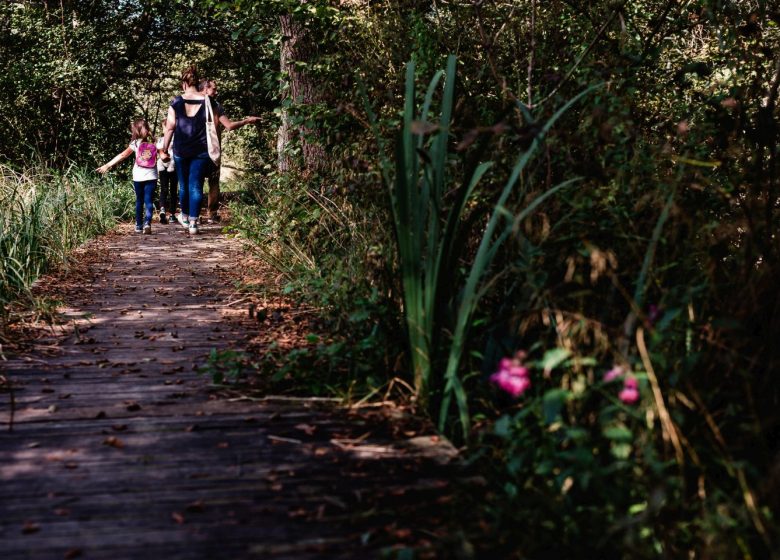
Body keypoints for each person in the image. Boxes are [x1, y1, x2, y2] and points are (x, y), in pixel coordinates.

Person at [198, 78, 261, 223]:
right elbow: (230, 126)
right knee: (213, 182)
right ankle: (212, 214)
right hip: (212, 150)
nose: (216, 91)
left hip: (198, 151)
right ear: (205, 89)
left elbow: (229, 126)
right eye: (213, 89)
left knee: (198, 182)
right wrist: (246, 121)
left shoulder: (192, 104)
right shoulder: (216, 106)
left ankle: (195, 214)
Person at [96, 118, 158, 235]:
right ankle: (147, 223)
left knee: (139, 200)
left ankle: (139, 225)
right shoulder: (154, 142)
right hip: (152, 175)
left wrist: (107, 165)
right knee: (149, 200)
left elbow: (123, 155)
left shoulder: (135, 143)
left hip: (138, 176)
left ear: (135, 130)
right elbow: (164, 155)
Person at [155, 118, 177, 224]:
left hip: (168, 166)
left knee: (167, 189)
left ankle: (167, 210)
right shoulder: (172, 139)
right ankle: (169, 213)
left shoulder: (162, 140)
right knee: (170, 189)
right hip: (168, 165)